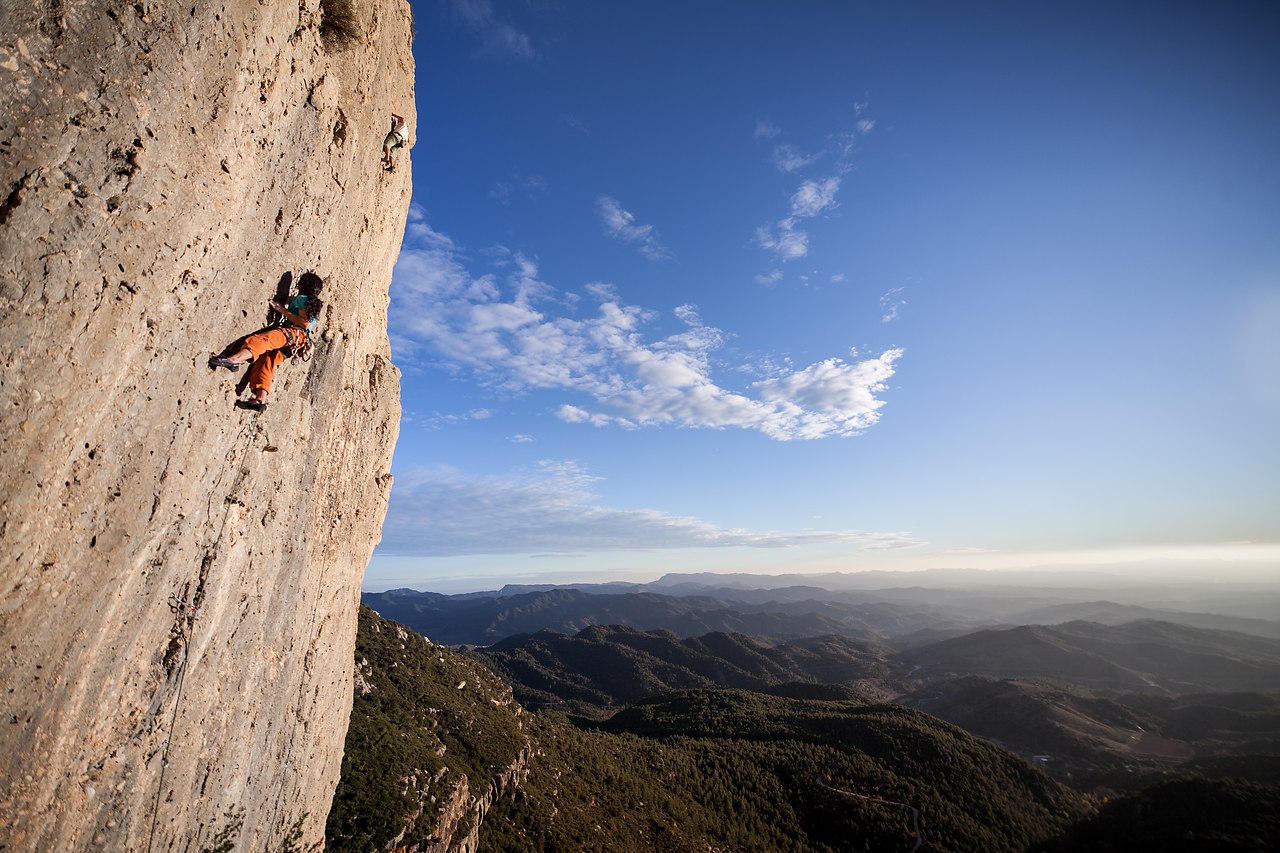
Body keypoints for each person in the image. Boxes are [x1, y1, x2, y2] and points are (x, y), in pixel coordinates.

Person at [209, 272, 324, 412]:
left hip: (293, 334)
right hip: (298, 342)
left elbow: (304, 323)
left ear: (301, 285)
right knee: (267, 361)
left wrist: (281, 310)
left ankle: (234, 360)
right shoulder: (311, 303)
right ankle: (259, 399)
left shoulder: (302, 298)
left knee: (262, 341)